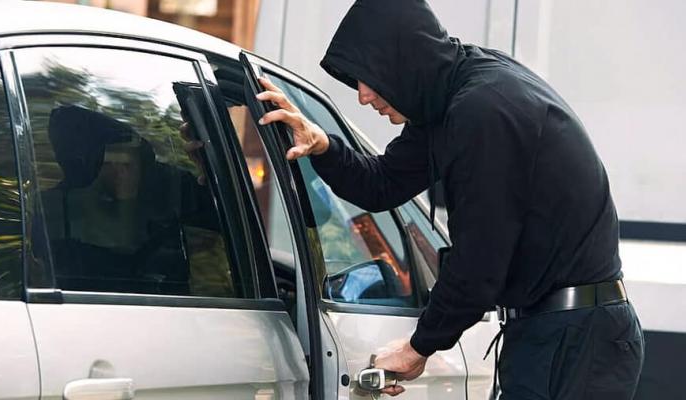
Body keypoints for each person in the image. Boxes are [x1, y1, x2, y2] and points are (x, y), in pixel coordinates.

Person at [255, 0, 644, 398]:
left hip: (575, 338)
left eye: (368, 77)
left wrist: (419, 346)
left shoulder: (483, 111)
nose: (363, 96)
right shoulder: (448, 100)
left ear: (403, 60)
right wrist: (322, 145)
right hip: (555, 332)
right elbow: (381, 183)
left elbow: (479, 261)